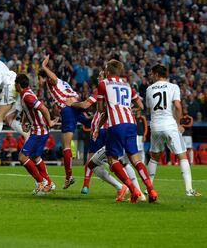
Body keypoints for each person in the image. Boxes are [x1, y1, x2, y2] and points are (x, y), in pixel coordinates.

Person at [70, 71, 145, 202]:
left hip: (105, 130)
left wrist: (71, 103)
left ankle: (126, 188)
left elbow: (85, 105)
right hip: (112, 128)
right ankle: (135, 191)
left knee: (96, 162)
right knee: (120, 162)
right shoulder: (116, 89)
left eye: (100, 75)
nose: (98, 77)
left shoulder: (102, 88)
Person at [95, 59, 157, 203]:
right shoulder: (127, 84)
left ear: (108, 71)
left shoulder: (103, 83)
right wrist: (127, 108)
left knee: (112, 159)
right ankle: (151, 190)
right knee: (135, 159)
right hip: (131, 123)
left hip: (116, 124)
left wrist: (110, 108)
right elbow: (140, 105)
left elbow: (99, 109)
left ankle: (133, 190)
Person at [145, 64, 201, 197]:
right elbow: (177, 105)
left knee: (154, 157)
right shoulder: (173, 87)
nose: (151, 76)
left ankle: (148, 189)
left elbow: (149, 109)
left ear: (157, 75)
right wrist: (179, 123)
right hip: (169, 125)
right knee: (182, 156)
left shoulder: (149, 89)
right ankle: (189, 190)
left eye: (152, 74)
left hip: (155, 126)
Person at [39, 55, 90, 189]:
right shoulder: (63, 83)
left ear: (45, 77)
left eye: (39, 78)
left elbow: (53, 78)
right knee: (92, 123)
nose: (38, 82)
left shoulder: (52, 82)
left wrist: (44, 66)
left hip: (68, 109)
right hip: (76, 105)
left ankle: (68, 177)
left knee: (66, 145)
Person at [15, 73, 57, 195]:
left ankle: (40, 182)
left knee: (22, 157)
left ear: (18, 85)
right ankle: (49, 183)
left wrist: (49, 121)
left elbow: (43, 108)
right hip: (39, 130)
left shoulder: (27, 96)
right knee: (35, 157)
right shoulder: (26, 94)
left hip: (39, 131)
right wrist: (23, 122)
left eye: (15, 85)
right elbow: (26, 110)